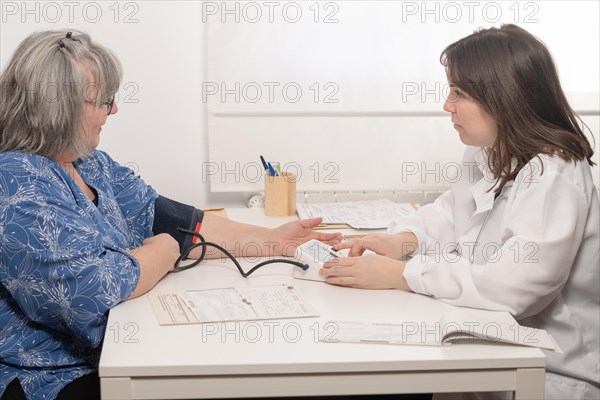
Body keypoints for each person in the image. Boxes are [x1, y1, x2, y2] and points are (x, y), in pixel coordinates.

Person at [0, 29, 341, 400]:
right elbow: (92, 295)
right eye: (103, 101)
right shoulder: (15, 181)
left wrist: (271, 240)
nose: (113, 110)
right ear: (58, 108)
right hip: (52, 377)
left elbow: (171, 219)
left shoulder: (87, 162)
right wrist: (162, 250)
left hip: (113, 351)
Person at [321, 24, 599, 400]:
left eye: (459, 93)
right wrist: (405, 240)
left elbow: (516, 287)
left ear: (504, 98)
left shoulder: (554, 174)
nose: (447, 105)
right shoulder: (490, 149)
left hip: (549, 371)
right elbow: (451, 212)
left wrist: (404, 274)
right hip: (485, 348)